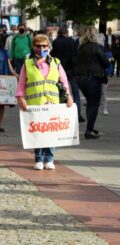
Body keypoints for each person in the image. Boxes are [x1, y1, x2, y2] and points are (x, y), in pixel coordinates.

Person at [15, 34, 74, 170]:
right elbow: (22, 84)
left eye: (44, 46)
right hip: (36, 104)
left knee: (50, 132)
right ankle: (39, 159)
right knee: (38, 133)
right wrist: (21, 98)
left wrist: (69, 96)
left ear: (49, 47)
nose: (41, 48)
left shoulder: (56, 62)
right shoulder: (27, 64)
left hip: (52, 103)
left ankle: (49, 159)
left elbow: (64, 81)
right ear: (33, 47)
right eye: (38, 46)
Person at [74, 26, 111, 139]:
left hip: (80, 78)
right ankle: (89, 130)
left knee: (90, 102)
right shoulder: (97, 47)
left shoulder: (80, 47)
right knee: (94, 103)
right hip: (93, 77)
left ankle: (90, 127)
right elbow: (106, 62)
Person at [50, 27, 84, 122]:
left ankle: (61, 113)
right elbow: (75, 55)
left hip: (59, 70)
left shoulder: (56, 42)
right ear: (66, 33)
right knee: (75, 92)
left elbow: (53, 55)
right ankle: (78, 114)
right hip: (71, 70)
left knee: (60, 92)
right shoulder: (71, 41)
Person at [0, 40, 17, 132]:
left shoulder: (4, 52)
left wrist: (15, 74)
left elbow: (9, 65)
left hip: (3, 80)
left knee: (1, 105)